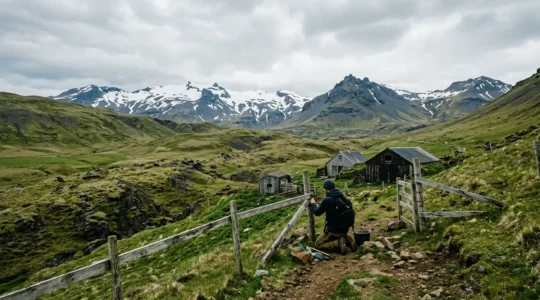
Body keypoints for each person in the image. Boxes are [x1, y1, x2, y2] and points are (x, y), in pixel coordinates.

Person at [309, 179, 357, 254]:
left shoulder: (327, 200)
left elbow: (317, 212)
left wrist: (313, 204)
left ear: (326, 189)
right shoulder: (344, 198)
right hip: (345, 229)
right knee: (338, 232)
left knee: (318, 244)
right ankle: (347, 240)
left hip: (333, 231)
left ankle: (338, 243)